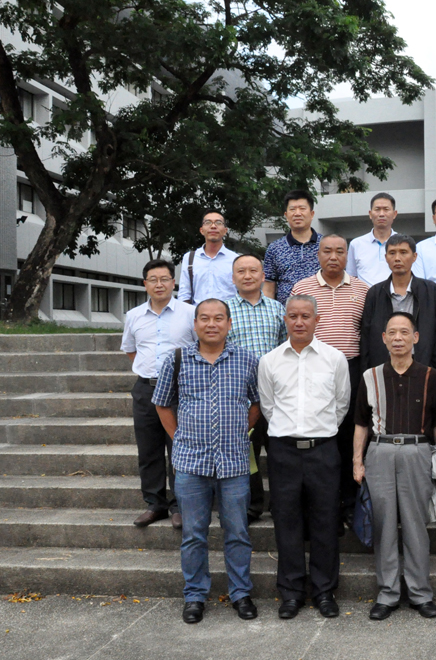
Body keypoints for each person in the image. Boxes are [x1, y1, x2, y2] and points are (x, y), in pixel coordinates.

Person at [152, 299, 261, 624]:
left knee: (238, 533)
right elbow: (162, 404)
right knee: (194, 534)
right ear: (195, 324)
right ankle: (195, 596)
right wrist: (179, 437)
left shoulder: (246, 359)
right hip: (191, 465)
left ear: (229, 324)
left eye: (218, 318)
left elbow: (257, 402)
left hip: (234, 464)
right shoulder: (178, 359)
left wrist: (244, 428)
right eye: (204, 318)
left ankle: (241, 594)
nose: (211, 324)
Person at [257, 295, 351, 620]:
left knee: (326, 520)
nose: (299, 322)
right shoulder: (269, 361)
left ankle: (325, 591)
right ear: (285, 319)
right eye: (293, 316)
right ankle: (291, 592)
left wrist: (318, 431)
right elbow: (268, 407)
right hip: (283, 451)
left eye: (306, 316)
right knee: (287, 521)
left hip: (323, 451)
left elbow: (341, 405)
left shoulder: (335, 359)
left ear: (317, 319)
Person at [353, 312, 436, 621]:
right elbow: (360, 424)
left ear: (415, 337)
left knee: (415, 524)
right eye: (391, 332)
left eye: (404, 332)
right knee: (383, 524)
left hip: (416, 451)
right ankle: (388, 593)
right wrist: (358, 461)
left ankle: (421, 593)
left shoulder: (431, 376)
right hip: (379, 451)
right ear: (383, 338)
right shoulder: (369, 376)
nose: (398, 338)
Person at [291, 234, 369, 530]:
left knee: (351, 435)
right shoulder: (303, 288)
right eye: (327, 251)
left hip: (352, 368)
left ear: (347, 256)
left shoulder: (362, 289)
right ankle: (323, 505)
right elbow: (296, 326)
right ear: (318, 254)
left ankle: (350, 503)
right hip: (314, 369)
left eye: (340, 251)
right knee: (322, 437)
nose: (333, 256)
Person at [120, 259, 196, 529]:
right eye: (153, 279)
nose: (159, 284)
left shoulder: (190, 313)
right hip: (145, 389)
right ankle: (155, 504)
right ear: (145, 284)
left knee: (179, 448)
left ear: (173, 283)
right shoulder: (134, 316)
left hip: (181, 390)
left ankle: (180, 505)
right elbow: (131, 350)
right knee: (148, 448)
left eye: (165, 279)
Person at [225, 254, 287, 523]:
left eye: (253, 271)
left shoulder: (277, 309)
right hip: (239, 395)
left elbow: (287, 348)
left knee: (279, 453)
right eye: (241, 271)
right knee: (246, 452)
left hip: (275, 395)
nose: (247, 275)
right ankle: (252, 505)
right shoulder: (223, 311)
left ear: (263, 277)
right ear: (233, 277)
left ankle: (281, 504)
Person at [360, 234, 436, 372]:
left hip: (421, 368)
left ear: (414, 256)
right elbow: (366, 337)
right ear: (386, 257)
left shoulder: (432, 291)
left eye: (403, 252)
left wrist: (434, 371)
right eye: (392, 253)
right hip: (383, 368)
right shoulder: (375, 293)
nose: (397, 258)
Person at [263, 190, 322, 305]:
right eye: (292, 209)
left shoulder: (325, 245)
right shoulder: (275, 248)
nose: (297, 213)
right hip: (287, 316)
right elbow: (269, 288)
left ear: (312, 214)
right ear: (286, 215)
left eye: (302, 208)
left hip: (322, 314)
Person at [176, 211, 239, 304]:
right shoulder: (190, 258)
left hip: (229, 315)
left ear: (225, 231)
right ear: (201, 230)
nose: (213, 226)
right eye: (208, 222)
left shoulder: (235, 260)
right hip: (198, 316)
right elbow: (184, 293)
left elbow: (241, 291)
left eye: (218, 223)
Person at [347, 192, 398, 286]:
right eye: (377, 209)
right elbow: (351, 277)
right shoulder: (356, 244)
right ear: (370, 214)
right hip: (365, 299)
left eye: (386, 209)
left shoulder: (403, 243)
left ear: (394, 214)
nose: (382, 214)